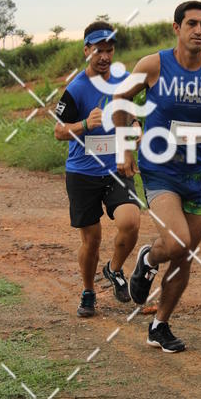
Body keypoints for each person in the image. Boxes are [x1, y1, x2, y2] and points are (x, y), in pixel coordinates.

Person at [113, 0, 201, 352]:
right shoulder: (154, 65)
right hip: (160, 170)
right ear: (176, 28)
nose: (199, 31)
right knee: (177, 242)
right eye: (191, 24)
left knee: (185, 255)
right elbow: (120, 100)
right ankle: (147, 258)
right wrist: (125, 148)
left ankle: (159, 325)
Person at [54, 21, 141, 317]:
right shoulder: (76, 88)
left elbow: (130, 115)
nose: (104, 56)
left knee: (131, 222)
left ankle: (114, 269)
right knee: (91, 240)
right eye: (98, 50)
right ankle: (88, 291)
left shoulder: (123, 80)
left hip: (117, 166)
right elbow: (58, 131)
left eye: (109, 50)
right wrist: (84, 125)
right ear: (86, 50)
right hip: (82, 173)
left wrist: (137, 127)